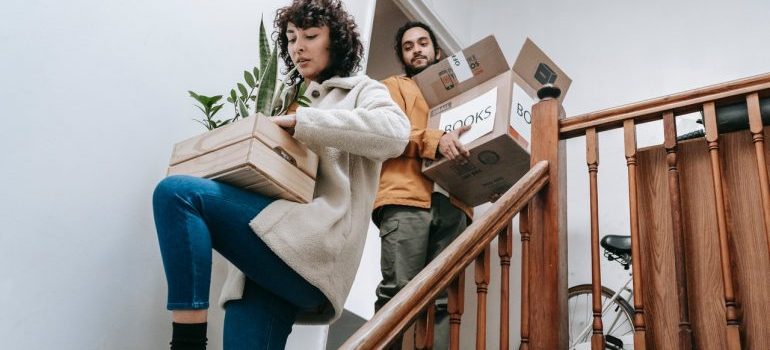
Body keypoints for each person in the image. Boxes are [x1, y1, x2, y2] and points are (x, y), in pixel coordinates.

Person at [152, 1, 410, 349]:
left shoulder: (362, 90)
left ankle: (187, 343)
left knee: (178, 194)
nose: (297, 46)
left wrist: (302, 122)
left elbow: (396, 133)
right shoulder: (284, 97)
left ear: (336, 41)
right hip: (261, 260)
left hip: (307, 248)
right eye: (290, 38)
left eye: (310, 35)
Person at [373, 21, 474, 349]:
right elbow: (388, 133)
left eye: (422, 43)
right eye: (408, 46)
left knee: (442, 303)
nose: (417, 49)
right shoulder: (392, 87)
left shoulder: (460, 94)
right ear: (403, 56)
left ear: (437, 50)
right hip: (406, 201)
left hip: (454, 205)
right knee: (398, 295)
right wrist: (436, 140)